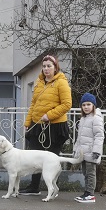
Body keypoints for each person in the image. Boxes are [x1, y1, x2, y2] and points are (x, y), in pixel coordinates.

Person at [19, 55, 72, 194]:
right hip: (37, 125)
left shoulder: (61, 83)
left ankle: (53, 189)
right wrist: (28, 122)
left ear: (55, 67)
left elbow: (67, 104)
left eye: (49, 66)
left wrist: (49, 115)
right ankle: (34, 187)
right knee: (34, 156)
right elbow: (33, 104)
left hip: (55, 127)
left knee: (52, 157)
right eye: (44, 66)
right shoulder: (39, 82)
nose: (46, 69)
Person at [72, 93, 104, 203]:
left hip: (91, 152)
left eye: (88, 104)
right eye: (84, 105)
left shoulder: (96, 118)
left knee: (91, 174)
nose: (86, 107)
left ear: (93, 105)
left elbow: (99, 136)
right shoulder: (83, 119)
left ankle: (90, 194)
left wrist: (96, 151)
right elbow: (79, 138)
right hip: (84, 152)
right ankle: (86, 192)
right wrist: (76, 149)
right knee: (85, 173)